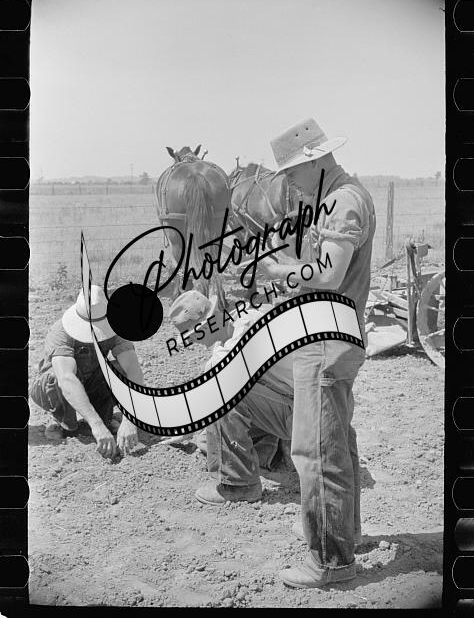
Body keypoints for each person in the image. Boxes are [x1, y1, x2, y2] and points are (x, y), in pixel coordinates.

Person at [255, 117, 376, 588]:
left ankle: (330, 561)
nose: (288, 183)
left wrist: (278, 271)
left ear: (314, 161)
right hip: (332, 334)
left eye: (291, 172)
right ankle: (347, 536)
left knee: (315, 450)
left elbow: (327, 274)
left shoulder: (342, 201)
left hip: (327, 340)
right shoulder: (339, 196)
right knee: (336, 439)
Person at [169, 288, 362, 550]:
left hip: (308, 413)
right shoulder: (247, 319)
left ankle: (239, 483)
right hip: (329, 403)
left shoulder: (233, 349)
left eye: (192, 335)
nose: (193, 342)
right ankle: (347, 528)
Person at [30, 285, 143, 459]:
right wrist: (97, 426)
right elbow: (66, 379)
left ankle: (103, 419)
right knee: (54, 377)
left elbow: (133, 371)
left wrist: (130, 419)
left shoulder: (116, 328)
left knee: (120, 371)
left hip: (92, 381)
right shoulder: (61, 331)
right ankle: (66, 425)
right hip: (59, 387)